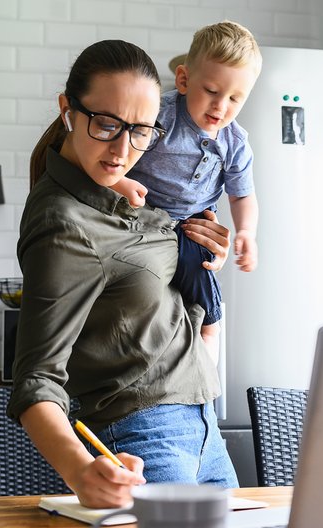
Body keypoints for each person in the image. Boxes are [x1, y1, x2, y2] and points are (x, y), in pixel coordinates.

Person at [8, 39, 240, 509]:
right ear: (68, 110)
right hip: (144, 438)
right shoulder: (63, 223)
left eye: (141, 131)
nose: (122, 149)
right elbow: (36, 377)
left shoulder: (132, 193)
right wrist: (78, 470)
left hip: (206, 431)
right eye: (107, 124)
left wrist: (203, 247)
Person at [112, 21, 262, 363]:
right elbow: (117, 159)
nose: (221, 107)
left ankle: (210, 333)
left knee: (202, 268)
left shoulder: (234, 141)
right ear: (183, 79)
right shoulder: (158, 116)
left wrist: (247, 233)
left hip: (193, 223)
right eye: (211, 90)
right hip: (140, 212)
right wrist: (122, 183)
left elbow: (242, 195)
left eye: (235, 99)